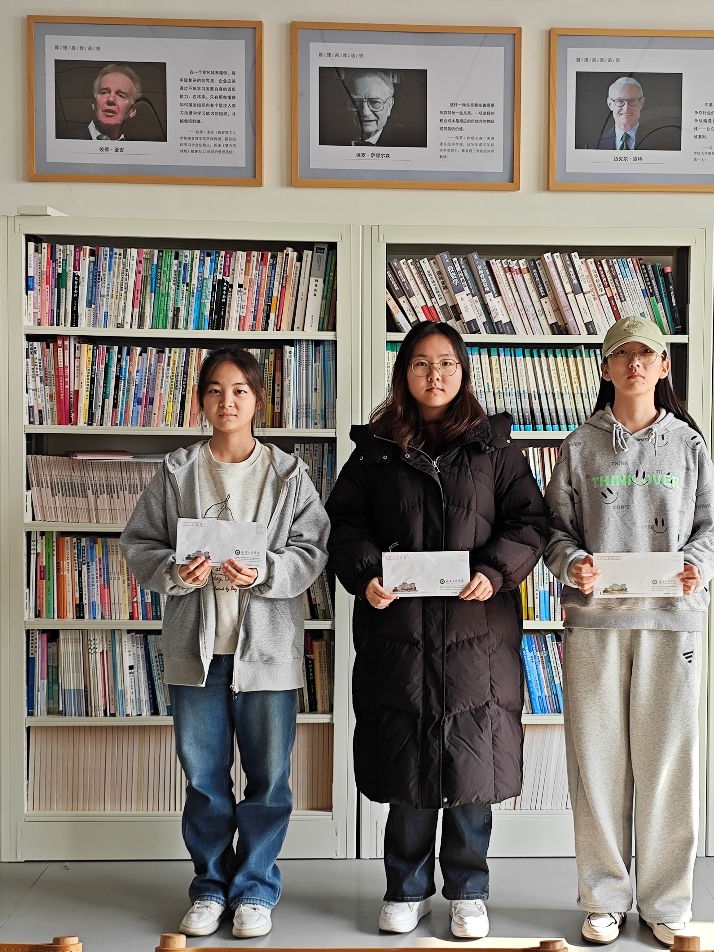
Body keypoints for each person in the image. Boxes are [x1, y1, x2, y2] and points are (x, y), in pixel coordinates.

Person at [326, 321, 549, 940]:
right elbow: (343, 525)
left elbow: (530, 522)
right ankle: (406, 888)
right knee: (408, 766)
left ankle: (469, 892)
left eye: (446, 362)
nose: (434, 374)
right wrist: (366, 574)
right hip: (399, 633)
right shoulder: (375, 450)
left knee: (472, 769)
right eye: (421, 363)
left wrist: (494, 571)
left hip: (477, 637)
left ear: (463, 371)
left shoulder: (494, 448)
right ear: (404, 373)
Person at [120, 347, 330, 940]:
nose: (227, 401)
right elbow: (138, 543)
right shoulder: (177, 472)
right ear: (201, 401)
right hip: (198, 652)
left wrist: (265, 571)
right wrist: (174, 571)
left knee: (269, 779)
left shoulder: (288, 474)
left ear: (258, 399)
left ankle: (255, 889)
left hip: (266, 653)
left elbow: (313, 550)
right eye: (215, 390)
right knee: (203, 778)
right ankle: (210, 886)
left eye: (239, 390)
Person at [542, 316, 714, 946]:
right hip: (595, 626)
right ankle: (603, 898)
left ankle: (666, 901)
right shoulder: (580, 446)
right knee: (596, 765)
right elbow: (553, 530)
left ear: (663, 366)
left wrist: (697, 565)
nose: (634, 363)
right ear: (604, 367)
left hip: (669, 624)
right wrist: (573, 563)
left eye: (645, 354)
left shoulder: (688, 445)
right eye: (621, 354)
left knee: (668, 764)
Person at [333, 67, 422, 147]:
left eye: (374, 102)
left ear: (390, 105)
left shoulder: (409, 141)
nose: (365, 112)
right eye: (355, 102)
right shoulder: (332, 135)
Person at [589, 76, 680, 151]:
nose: (626, 108)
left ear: (642, 103)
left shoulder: (664, 140)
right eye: (620, 101)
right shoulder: (593, 146)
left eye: (632, 100)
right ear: (610, 104)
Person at [57, 63, 143, 140]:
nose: (110, 99)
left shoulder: (138, 147)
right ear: (94, 103)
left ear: (132, 110)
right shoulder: (66, 141)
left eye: (121, 95)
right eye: (104, 92)